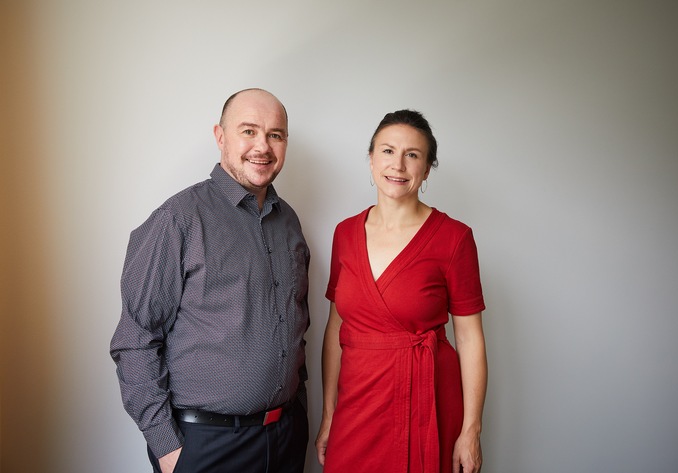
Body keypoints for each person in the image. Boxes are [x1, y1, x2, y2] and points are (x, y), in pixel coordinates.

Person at [110, 88, 310, 473]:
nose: (262, 146)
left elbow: (298, 327)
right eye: (248, 131)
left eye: (275, 135)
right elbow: (135, 340)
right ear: (220, 136)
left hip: (285, 437)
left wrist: (299, 411)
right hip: (206, 446)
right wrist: (169, 449)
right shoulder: (177, 220)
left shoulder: (289, 222)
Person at [315, 110, 488, 473]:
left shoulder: (454, 238)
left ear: (426, 170)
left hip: (425, 403)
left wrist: (471, 430)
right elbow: (335, 330)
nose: (398, 165)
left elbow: (470, 339)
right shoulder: (344, 234)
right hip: (356, 405)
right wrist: (329, 414)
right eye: (388, 151)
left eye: (412, 154)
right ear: (371, 159)